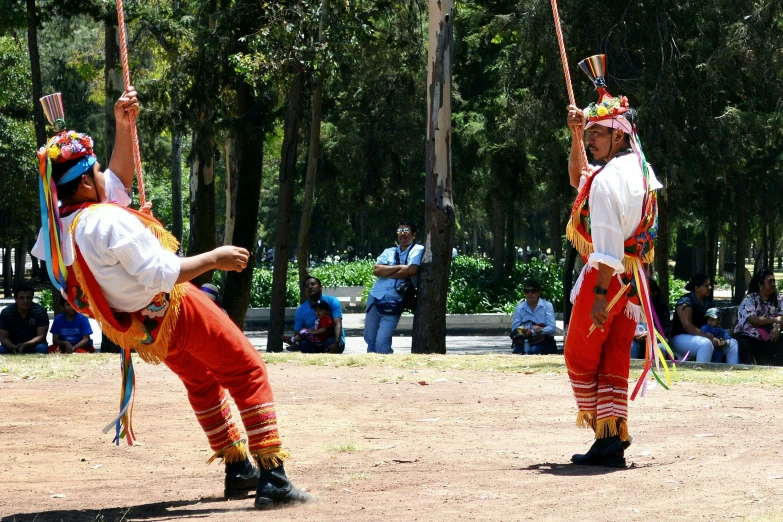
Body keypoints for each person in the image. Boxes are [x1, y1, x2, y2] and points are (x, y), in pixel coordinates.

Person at [30, 88, 311, 509]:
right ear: (86, 182)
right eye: (97, 174)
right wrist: (214, 257)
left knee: (201, 379)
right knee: (246, 370)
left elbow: (117, 183)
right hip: (173, 308)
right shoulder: (106, 221)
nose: (107, 180)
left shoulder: (58, 230)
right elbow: (162, 273)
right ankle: (272, 475)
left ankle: (238, 468)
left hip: (140, 331)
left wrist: (125, 128)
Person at [563, 63, 662, 467]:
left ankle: (605, 429)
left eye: (596, 134)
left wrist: (600, 296)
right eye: (588, 135)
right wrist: (576, 134)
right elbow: (576, 177)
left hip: (608, 280)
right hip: (635, 284)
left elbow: (603, 250)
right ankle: (611, 437)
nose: (590, 141)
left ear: (619, 132)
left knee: (579, 356)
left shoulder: (605, 182)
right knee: (614, 356)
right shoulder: (640, 167)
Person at [364, 220, 424, 354]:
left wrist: (388, 271)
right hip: (375, 297)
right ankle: (371, 369)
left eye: (406, 231)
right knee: (370, 338)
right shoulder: (389, 251)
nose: (402, 234)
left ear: (413, 235)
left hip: (394, 301)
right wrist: (401, 268)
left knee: (382, 341)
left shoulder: (418, 250)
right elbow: (377, 270)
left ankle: (386, 368)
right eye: (399, 231)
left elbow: (412, 270)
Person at [669, 274, 739, 364]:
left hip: (705, 337)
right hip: (681, 338)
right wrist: (708, 337)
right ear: (697, 288)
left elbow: (716, 322)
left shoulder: (708, 302)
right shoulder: (686, 301)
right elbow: (687, 325)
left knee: (732, 343)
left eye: (710, 285)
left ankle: (732, 372)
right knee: (705, 344)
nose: (710, 287)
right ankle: (701, 372)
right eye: (706, 286)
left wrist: (721, 339)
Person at [734, 269, 783, 365]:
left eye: (774, 281)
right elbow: (752, 319)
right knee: (743, 343)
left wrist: (778, 327)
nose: (773, 284)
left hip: (771, 337)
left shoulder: (779, 298)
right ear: (760, 285)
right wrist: (775, 319)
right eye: (770, 281)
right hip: (750, 336)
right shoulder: (749, 299)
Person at [286, 275, 345, 353]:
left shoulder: (332, 301)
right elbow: (298, 332)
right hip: (313, 341)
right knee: (304, 343)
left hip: (331, 338)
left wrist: (337, 343)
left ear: (321, 287)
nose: (310, 287)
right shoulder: (301, 310)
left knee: (330, 342)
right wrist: (295, 342)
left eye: (313, 284)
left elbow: (337, 323)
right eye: (307, 286)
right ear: (305, 291)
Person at [510, 279, 557, 355]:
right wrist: (530, 327)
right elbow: (515, 329)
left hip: (544, 341)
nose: (530, 294)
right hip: (525, 341)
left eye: (533, 291)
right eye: (527, 291)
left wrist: (534, 332)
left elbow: (552, 328)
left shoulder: (547, 306)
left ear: (538, 292)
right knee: (517, 352)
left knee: (533, 351)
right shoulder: (519, 308)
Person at [0, 284, 50, 354]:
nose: (25, 301)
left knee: (42, 348)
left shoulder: (40, 311)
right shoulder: (6, 313)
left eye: (28, 298)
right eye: (22, 298)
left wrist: (25, 345)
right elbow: (3, 338)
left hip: (34, 345)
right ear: (15, 299)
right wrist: (13, 347)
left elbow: (41, 336)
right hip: (12, 345)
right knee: (1, 349)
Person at [629, 279, 670, 359]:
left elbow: (665, 330)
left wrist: (651, 335)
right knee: (631, 346)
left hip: (654, 340)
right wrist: (634, 335)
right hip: (634, 339)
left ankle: (656, 370)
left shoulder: (662, 307)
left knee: (660, 348)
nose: (641, 294)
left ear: (654, 293)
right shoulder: (631, 305)